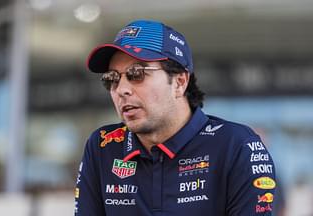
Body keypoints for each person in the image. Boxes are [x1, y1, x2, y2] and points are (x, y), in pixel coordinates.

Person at [74, 19, 276, 216]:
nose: (121, 89)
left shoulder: (236, 146)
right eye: (112, 78)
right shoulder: (103, 146)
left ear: (179, 82)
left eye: (136, 74)